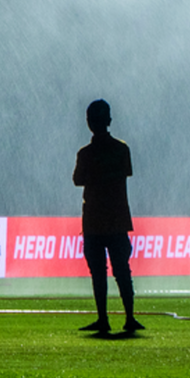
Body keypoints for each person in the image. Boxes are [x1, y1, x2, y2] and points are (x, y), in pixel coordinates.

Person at [72, 99, 144, 334]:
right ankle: (129, 317)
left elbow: (77, 179)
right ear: (109, 120)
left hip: (94, 220)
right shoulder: (121, 149)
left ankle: (103, 318)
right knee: (122, 270)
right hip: (116, 219)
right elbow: (124, 173)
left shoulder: (85, 153)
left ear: (89, 122)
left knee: (98, 273)